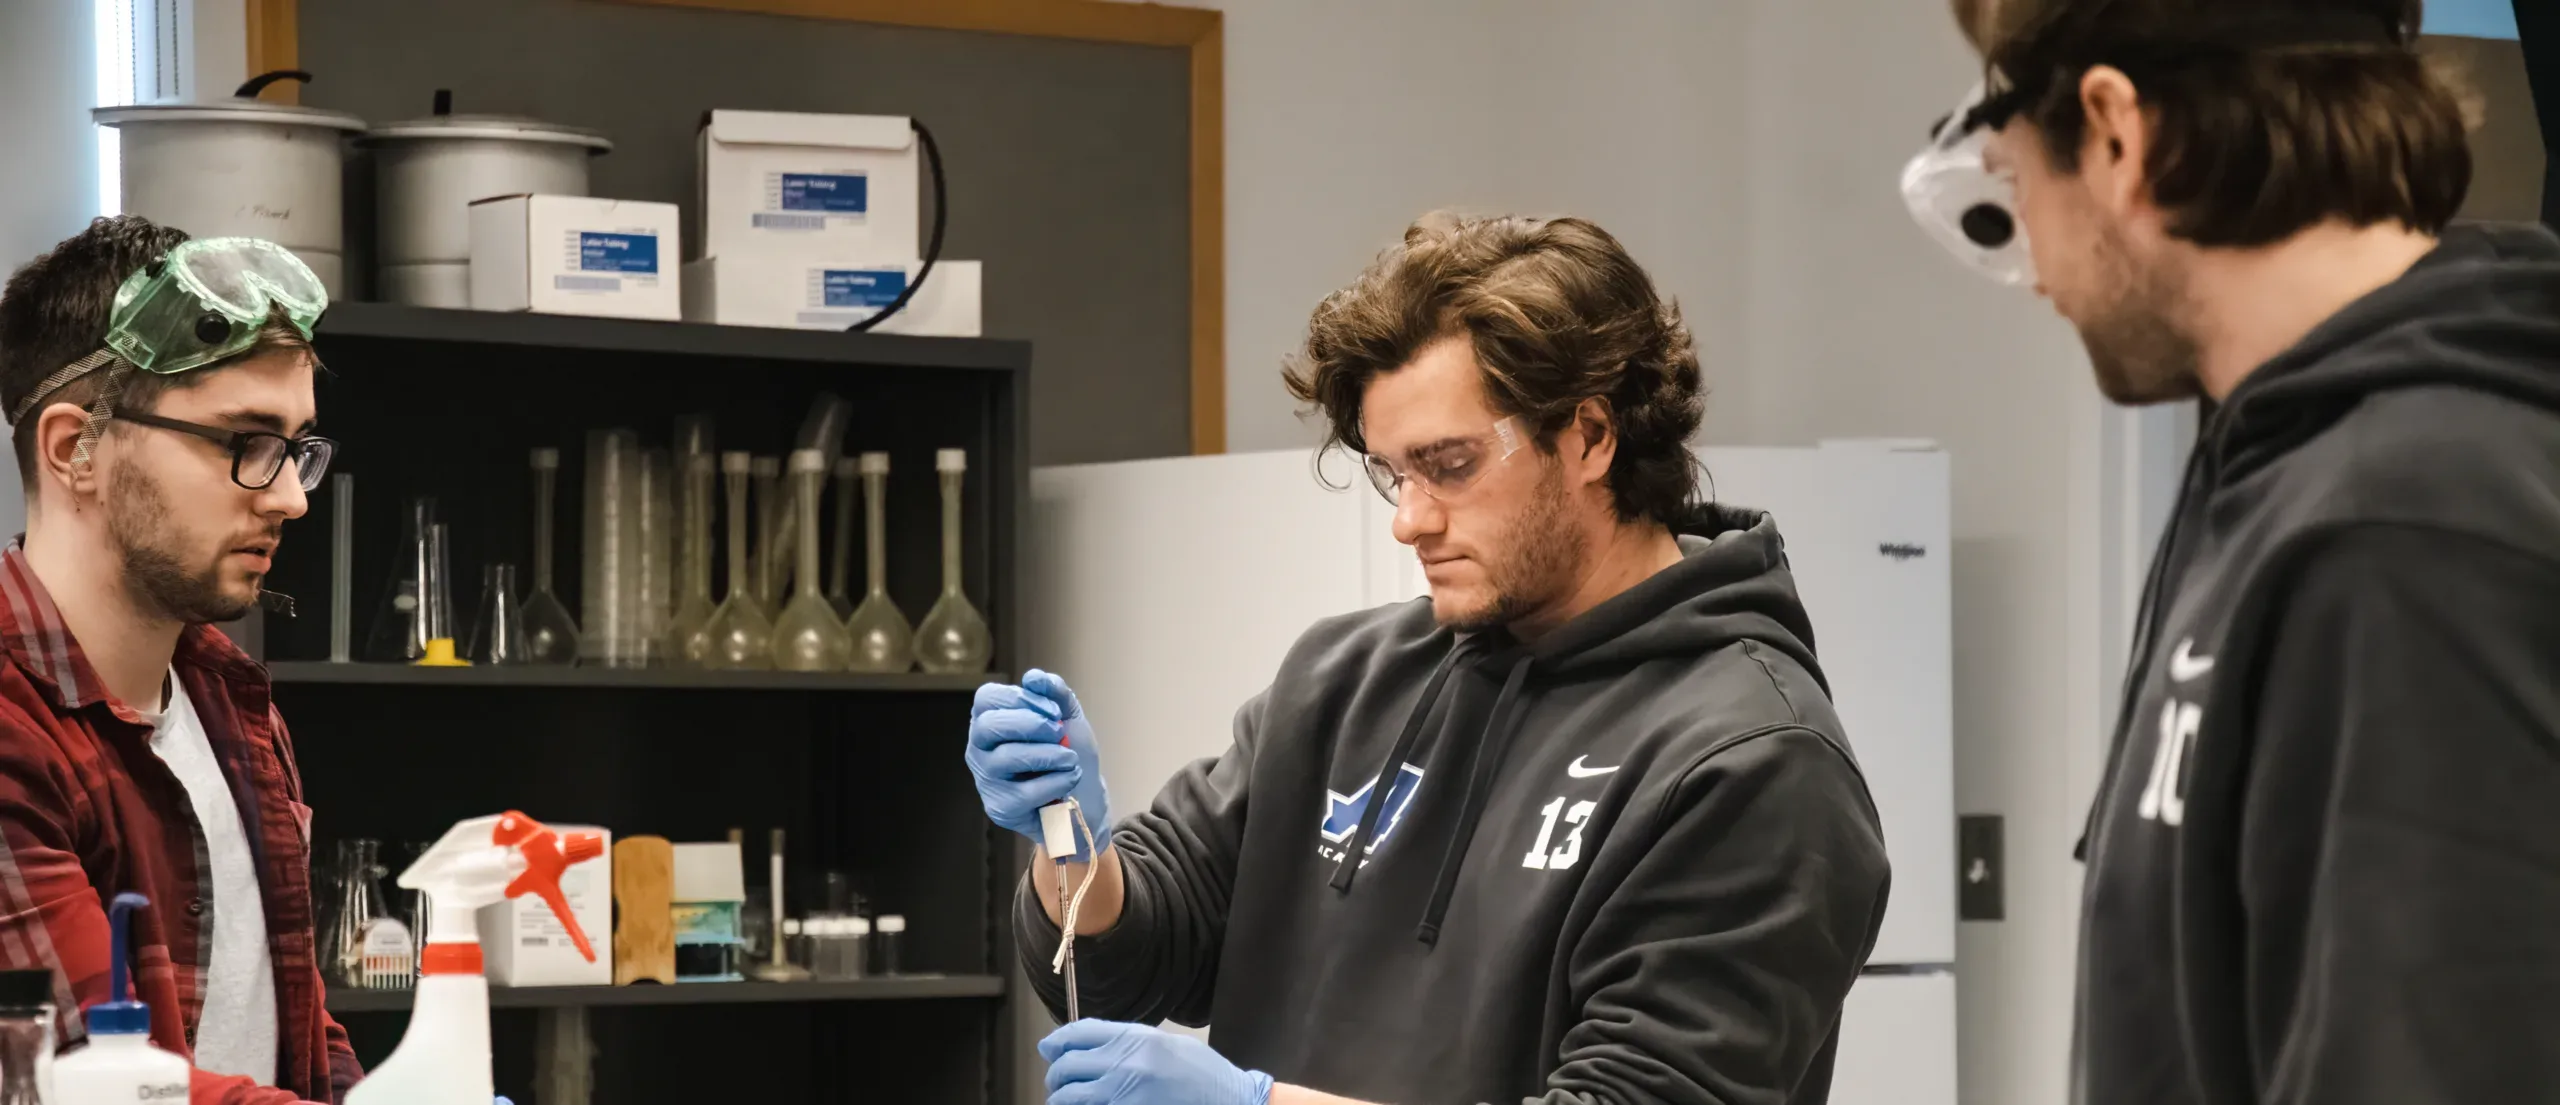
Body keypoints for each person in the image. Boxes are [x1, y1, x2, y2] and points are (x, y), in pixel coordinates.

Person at [968, 213, 1893, 1105]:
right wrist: (1070, 848)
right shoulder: (1347, 679)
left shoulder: (1752, 759)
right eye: (1393, 472)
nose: (1410, 518)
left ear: (1591, 437)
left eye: (1449, 466)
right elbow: (1143, 952)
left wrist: (1260, 1103)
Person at [1909, 1, 2560, 1102]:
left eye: (2013, 173)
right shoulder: (2274, 476)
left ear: (2114, 133)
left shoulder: (2405, 533)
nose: (2038, 273)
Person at [0, 216, 354, 1104]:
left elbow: (296, 1017)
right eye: (245, 443)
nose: (288, 498)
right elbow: (108, 1083)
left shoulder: (230, 701)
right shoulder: (11, 729)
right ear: (73, 448)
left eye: (297, 449)